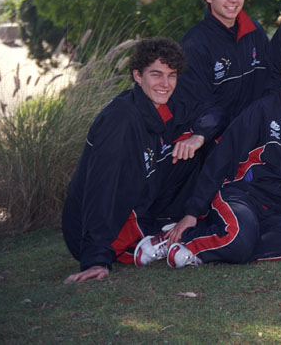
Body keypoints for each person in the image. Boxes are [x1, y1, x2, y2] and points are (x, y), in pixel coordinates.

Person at [160, 40, 281, 267]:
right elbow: (223, 156)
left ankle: (227, 245)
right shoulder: (265, 109)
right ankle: (181, 243)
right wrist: (193, 212)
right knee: (240, 237)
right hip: (245, 199)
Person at [62, 38, 226, 283]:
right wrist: (95, 258)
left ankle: (177, 228)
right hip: (100, 226)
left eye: (171, 75)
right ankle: (152, 240)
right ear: (137, 76)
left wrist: (198, 137)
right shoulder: (120, 121)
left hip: (143, 198)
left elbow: (215, 112)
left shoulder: (165, 104)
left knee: (210, 142)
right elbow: (102, 188)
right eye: (156, 75)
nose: (165, 84)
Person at [174, 0, 270, 120]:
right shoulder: (194, 44)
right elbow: (195, 104)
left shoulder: (255, 32)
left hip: (257, 129)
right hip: (215, 137)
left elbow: (270, 81)